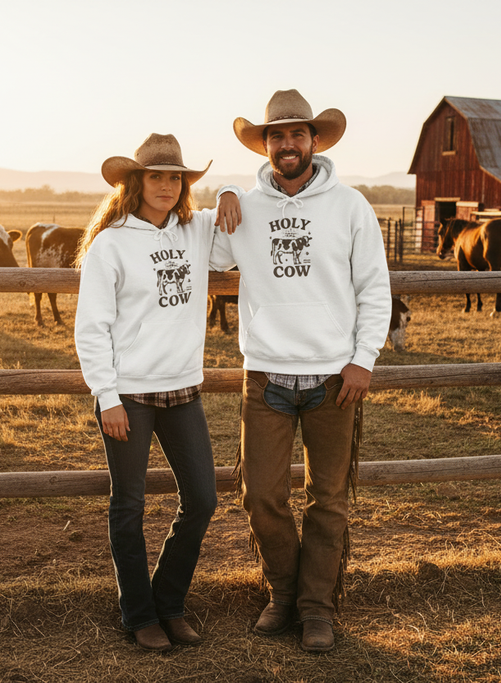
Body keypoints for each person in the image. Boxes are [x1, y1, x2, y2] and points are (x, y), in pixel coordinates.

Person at [210, 89, 393, 652]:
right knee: (261, 495)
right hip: (265, 376)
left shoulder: (351, 206)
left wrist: (363, 359)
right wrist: (221, 195)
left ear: (315, 140)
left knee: (328, 499)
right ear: (264, 145)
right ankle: (283, 593)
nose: (287, 143)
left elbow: (374, 288)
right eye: (276, 135)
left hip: (334, 379)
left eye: (297, 133)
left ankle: (317, 609)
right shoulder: (244, 206)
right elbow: (207, 254)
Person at [74, 133, 241, 651]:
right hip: (128, 395)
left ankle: (169, 603)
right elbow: (91, 327)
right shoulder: (110, 243)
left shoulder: (196, 230)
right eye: (156, 176)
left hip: (183, 389)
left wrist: (231, 190)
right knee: (129, 505)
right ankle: (140, 614)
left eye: (176, 177)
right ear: (135, 181)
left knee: (203, 500)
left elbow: (237, 236)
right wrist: (107, 396)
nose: (167, 186)